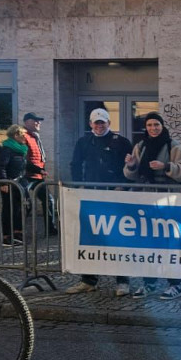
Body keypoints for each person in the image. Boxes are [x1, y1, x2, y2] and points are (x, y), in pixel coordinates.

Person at [123, 112, 181, 299]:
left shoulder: (172, 145)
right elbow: (131, 174)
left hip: (168, 202)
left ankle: (174, 284)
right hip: (146, 202)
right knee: (148, 243)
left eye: (156, 125)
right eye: (150, 125)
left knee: (170, 243)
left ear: (162, 126)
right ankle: (149, 283)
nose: (153, 128)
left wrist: (166, 166)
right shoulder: (141, 146)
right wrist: (131, 165)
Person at [65, 108, 133, 295]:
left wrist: (122, 186)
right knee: (90, 238)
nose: (99, 125)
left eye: (102, 122)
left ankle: (122, 281)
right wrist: (78, 185)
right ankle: (88, 280)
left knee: (117, 237)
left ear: (109, 123)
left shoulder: (122, 142)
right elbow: (75, 164)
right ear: (90, 124)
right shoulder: (83, 142)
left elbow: (130, 167)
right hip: (91, 196)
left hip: (115, 196)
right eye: (96, 122)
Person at [21, 112, 56, 235]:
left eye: (39, 121)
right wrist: (38, 169)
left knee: (49, 200)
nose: (38, 123)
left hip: (37, 176)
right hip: (26, 176)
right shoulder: (23, 136)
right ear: (27, 122)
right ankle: (17, 232)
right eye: (35, 120)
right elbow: (23, 159)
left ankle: (51, 229)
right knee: (25, 205)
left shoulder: (35, 136)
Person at [0, 124, 29, 246]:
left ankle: (17, 232)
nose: (25, 137)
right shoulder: (7, 149)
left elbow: (24, 165)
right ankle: (7, 237)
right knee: (8, 209)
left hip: (20, 183)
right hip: (9, 183)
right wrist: (4, 182)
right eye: (23, 135)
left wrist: (39, 170)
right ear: (16, 135)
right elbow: (1, 166)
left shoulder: (20, 149)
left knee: (22, 208)